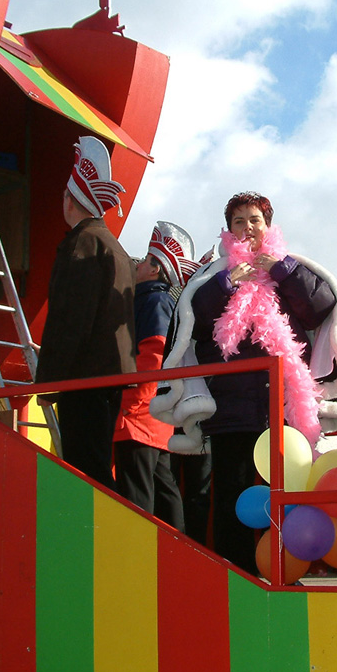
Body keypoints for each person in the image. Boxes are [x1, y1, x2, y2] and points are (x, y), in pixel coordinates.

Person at [151, 192, 337, 574]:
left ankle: (283, 570)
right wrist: (226, 283)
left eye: (255, 220)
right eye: (239, 221)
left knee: (286, 491)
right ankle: (238, 573)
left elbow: (321, 307)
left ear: (268, 226)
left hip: (285, 406)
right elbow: (194, 319)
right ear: (229, 230)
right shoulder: (213, 275)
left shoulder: (289, 268)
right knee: (234, 493)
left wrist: (284, 271)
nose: (247, 227)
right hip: (231, 409)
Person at [36, 135, 136, 490]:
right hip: (110, 377)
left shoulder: (83, 243)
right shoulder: (115, 247)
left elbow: (70, 319)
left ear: (71, 199)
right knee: (97, 464)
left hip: (83, 378)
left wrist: (48, 382)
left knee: (86, 473)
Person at [113, 221, 202, 529]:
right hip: (153, 416)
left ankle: (138, 551)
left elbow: (153, 356)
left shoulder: (152, 300)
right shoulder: (161, 301)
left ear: (154, 268)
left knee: (135, 497)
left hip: (137, 415)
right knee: (164, 492)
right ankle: (175, 548)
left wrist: (130, 404)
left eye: (143, 261)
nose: (137, 265)